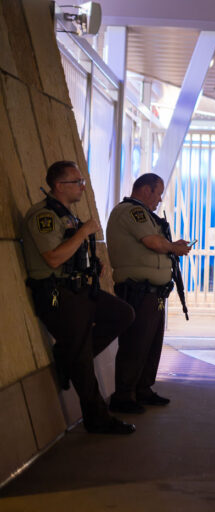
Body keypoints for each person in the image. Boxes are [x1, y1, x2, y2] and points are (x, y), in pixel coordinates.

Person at [21, 161, 136, 435]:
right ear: (59, 186)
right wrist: (84, 232)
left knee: (123, 314)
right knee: (82, 357)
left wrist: (92, 265)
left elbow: (72, 254)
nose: (82, 186)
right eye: (77, 181)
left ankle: (66, 358)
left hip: (79, 289)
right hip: (57, 294)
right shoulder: (44, 215)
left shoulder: (68, 215)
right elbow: (53, 258)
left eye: (82, 181)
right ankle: (97, 418)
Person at [106, 173, 190, 414]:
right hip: (138, 291)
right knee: (135, 343)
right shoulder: (133, 211)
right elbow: (152, 242)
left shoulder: (146, 216)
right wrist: (174, 247)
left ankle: (142, 389)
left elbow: (156, 242)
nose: (159, 199)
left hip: (153, 293)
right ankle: (123, 395)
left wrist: (172, 247)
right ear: (145, 190)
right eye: (158, 193)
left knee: (150, 344)